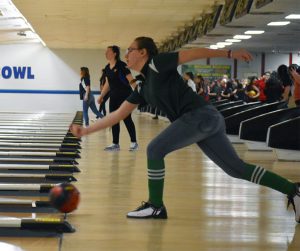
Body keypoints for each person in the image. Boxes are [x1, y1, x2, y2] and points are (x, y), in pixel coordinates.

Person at [71, 37, 300, 222]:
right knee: (236, 169)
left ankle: (155, 206)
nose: (127, 53)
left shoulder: (157, 63)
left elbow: (193, 54)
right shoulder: (143, 86)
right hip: (205, 120)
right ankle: (293, 190)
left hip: (200, 116)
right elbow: (118, 114)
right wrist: (87, 131)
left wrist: (230, 54)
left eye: (130, 49)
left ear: (143, 52)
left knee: (154, 150)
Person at [97, 45, 138, 151]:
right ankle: (115, 144)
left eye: (108, 51)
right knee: (114, 120)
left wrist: (138, 92)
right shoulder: (107, 68)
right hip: (113, 97)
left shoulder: (122, 65)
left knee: (127, 119)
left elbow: (130, 79)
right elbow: (107, 84)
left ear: (114, 53)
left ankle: (134, 143)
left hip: (125, 96)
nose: (105, 53)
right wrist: (101, 96)